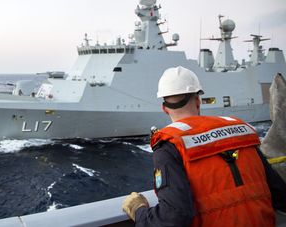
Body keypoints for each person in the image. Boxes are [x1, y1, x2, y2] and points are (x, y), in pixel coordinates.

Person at [122, 66, 286, 226]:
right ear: (198, 101)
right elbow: (280, 195)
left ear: (164, 108)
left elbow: (174, 217)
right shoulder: (240, 132)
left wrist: (139, 211)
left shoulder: (169, 146)